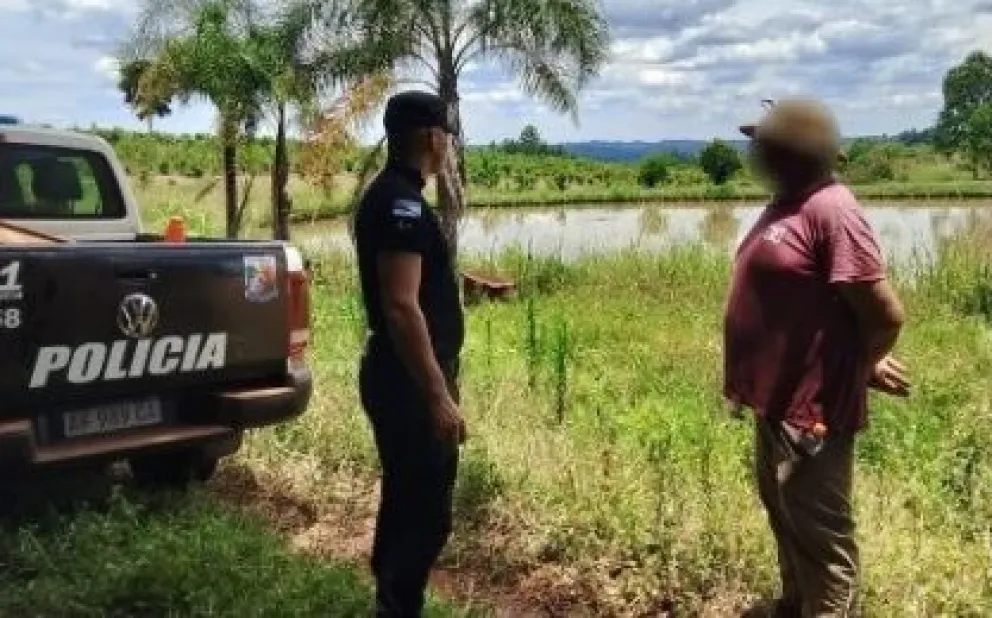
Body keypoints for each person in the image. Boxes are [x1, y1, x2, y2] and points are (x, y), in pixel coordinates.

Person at [723, 98, 910, 618]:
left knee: (821, 537)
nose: (757, 153)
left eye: (767, 144)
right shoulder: (787, 203)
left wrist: (860, 366)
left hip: (812, 411)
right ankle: (793, 605)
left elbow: (885, 315)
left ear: (799, 153)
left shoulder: (832, 209)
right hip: (775, 402)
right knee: (785, 515)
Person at [354, 90, 467, 618]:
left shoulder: (393, 195)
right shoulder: (401, 203)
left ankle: (392, 603)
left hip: (402, 377)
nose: (448, 146)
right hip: (410, 383)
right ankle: (397, 606)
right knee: (424, 513)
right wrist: (438, 397)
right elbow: (401, 307)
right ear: (430, 137)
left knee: (405, 498)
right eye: (446, 135)